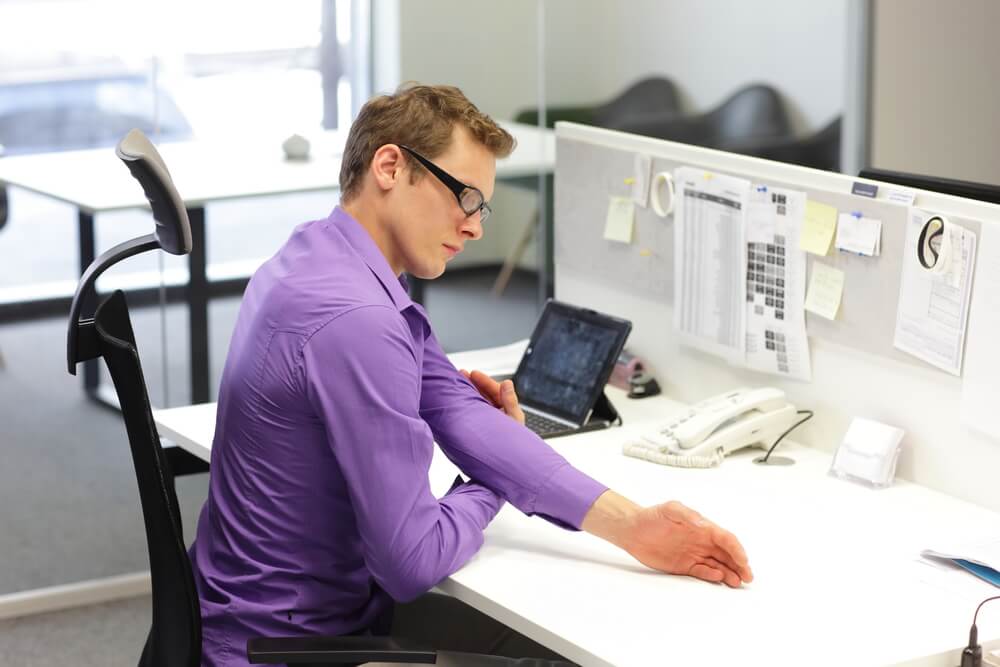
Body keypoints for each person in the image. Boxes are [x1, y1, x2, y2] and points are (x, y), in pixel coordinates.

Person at [189, 83, 753, 667]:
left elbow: (456, 407)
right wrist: (485, 487)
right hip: (290, 649)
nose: (475, 227)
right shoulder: (359, 320)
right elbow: (411, 562)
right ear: (390, 166)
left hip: (261, 619)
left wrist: (633, 525)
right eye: (466, 197)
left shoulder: (319, 258)